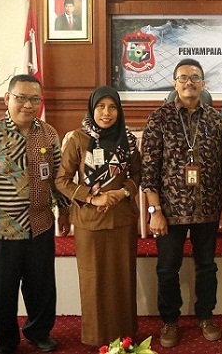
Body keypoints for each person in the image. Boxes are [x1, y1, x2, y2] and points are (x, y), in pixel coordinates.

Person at [0, 74, 71, 354]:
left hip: (40, 226)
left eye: (34, 99)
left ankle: (39, 332)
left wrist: (65, 211)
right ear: (7, 99)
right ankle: (4, 340)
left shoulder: (48, 134)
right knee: (0, 290)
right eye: (21, 98)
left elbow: (58, 177)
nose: (28, 105)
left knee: (41, 287)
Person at [141, 58, 222, 348]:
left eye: (195, 77)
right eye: (183, 77)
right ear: (174, 83)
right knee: (167, 268)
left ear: (203, 83)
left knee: (206, 267)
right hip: (170, 211)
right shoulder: (159, 118)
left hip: (208, 208)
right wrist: (154, 210)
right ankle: (170, 320)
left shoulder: (215, 120)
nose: (189, 82)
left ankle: (205, 316)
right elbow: (149, 170)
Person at [55, 86, 141, 347]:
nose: (106, 113)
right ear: (92, 109)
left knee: (123, 278)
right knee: (94, 280)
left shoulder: (128, 140)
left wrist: (121, 193)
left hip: (122, 219)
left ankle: (125, 337)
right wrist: (93, 198)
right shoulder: (78, 139)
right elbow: (62, 180)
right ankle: (97, 339)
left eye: (112, 107)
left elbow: (137, 174)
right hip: (90, 222)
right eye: (101, 107)